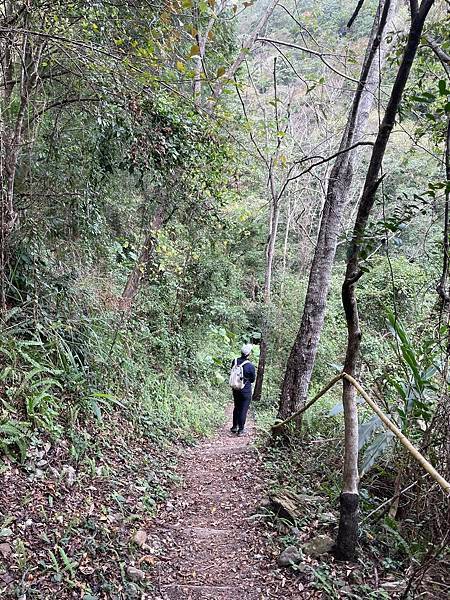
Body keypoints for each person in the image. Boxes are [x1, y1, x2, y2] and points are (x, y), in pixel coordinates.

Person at [230, 343, 256, 436]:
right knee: (243, 409)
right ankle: (241, 430)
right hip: (245, 390)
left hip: (235, 388)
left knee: (236, 407)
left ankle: (234, 427)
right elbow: (252, 380)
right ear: (249, 354)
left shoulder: (235, 361)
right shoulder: (250, 366)